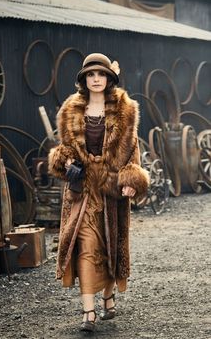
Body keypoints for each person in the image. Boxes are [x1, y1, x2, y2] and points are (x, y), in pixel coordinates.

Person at [48, 53, 149, 332]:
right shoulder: (70, 110)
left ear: (109, 79)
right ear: (83, 79)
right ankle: (88, 312)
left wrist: (132, 179)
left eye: (101, 74)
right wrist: (65, 160)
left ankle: (108, 294)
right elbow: (64, 147)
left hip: (111, 190)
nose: (95, 79)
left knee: (108, 246)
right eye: (90, 75)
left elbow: (133, 149)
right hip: (81, 191)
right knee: (86, 246)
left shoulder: (125, 110)